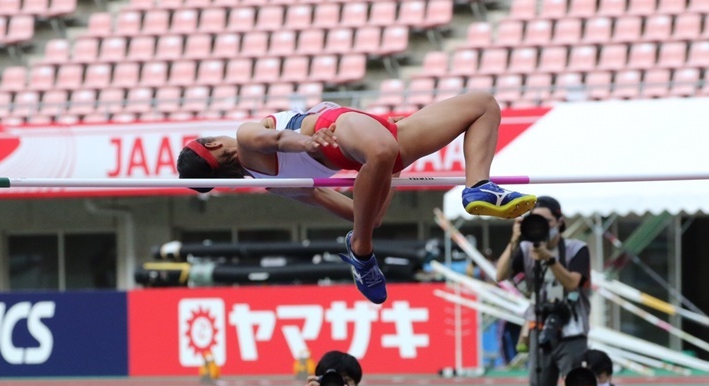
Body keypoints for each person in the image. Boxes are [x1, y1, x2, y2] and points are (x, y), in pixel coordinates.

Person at [177, 93, 537, 304]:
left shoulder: (274, 183)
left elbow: (363, 213)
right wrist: (308, 141)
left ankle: (478, 186)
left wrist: (389, 174)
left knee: (482, 105)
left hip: (376, 138)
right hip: (331, 128)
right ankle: (362, 251)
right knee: (380, 155)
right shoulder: (246, 139)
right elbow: (274, 141)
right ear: (211, 144)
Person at [495, 196, 592, 386]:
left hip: (572, 331)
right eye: (535, 221)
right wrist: (515, 240)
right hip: (539, 329)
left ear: (559, 222)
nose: (542, 226)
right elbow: (500, 274)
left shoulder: (576, 249)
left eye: (546, 221)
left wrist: (549, 258)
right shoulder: (527, 250)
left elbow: (572, 284)